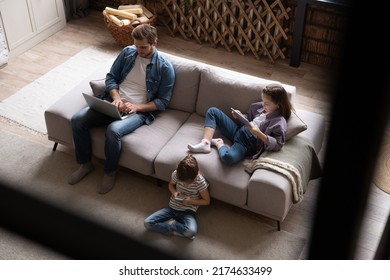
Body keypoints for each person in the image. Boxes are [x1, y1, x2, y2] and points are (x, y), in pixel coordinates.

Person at [68, 24, 176, 194]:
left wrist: (136, 107)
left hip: (139, 111)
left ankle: (109, 172)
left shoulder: (164, 67)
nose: (139, 50)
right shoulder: (127, 52)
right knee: (77, 120)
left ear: (154, 43)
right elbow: (111, 77)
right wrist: (116, 98)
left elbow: (162, 102)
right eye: (136, 45)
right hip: (113, 102)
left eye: (143, 47)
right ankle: (85, 165)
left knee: (113, 130)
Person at [188, 83, 293, 165]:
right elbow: (249, 117)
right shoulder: (259, 107)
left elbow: (278, 144)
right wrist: (239, 116)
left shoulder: (279, 122)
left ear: (278, 105)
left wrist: (259, 133)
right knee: (212, 111)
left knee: (228, 158)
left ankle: (218, 143)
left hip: (246, 144)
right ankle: (206, 143)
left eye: (267, 104)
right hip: (238, 130)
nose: (263, 105)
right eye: (263, 101)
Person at [144, 154, 210, 240]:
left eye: (187, 182)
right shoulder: (176, 174)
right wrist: (174, 192)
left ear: (193, 177)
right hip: (171, 208)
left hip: (188, 212)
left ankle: (172, 224)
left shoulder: (200, 182)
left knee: (191, 232)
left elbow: (206, 201)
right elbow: (171, 185)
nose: (184, 183)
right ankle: (171, 228)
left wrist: (191, 201)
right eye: (182, 181)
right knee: (147, 223)